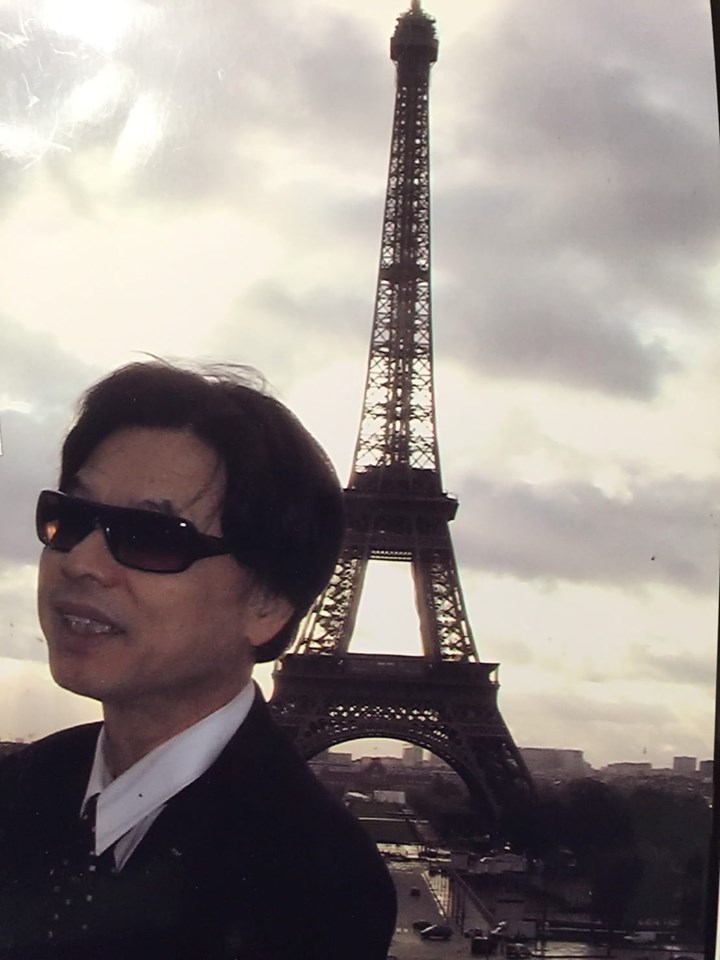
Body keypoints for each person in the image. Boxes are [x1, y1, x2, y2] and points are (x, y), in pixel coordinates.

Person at [0, 360, 397, 959]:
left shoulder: (318, 885)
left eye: (153, 537)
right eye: (72, 519)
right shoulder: (20, 788)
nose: (80, 562)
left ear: (266, 603)